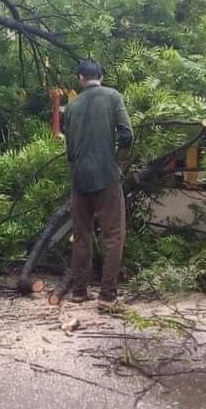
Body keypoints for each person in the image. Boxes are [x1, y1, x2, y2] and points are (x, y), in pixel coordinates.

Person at [49, 59, 133, 311]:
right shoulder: (113, 96)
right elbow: (127, 134)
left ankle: (78, 292)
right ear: (101, 77)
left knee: (82, 237)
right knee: (113, 235)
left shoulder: (71, 106)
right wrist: (118, 163)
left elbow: (69, 147)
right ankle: (107, 296)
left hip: (80, 179)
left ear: (80, 79)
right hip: (107, 176)